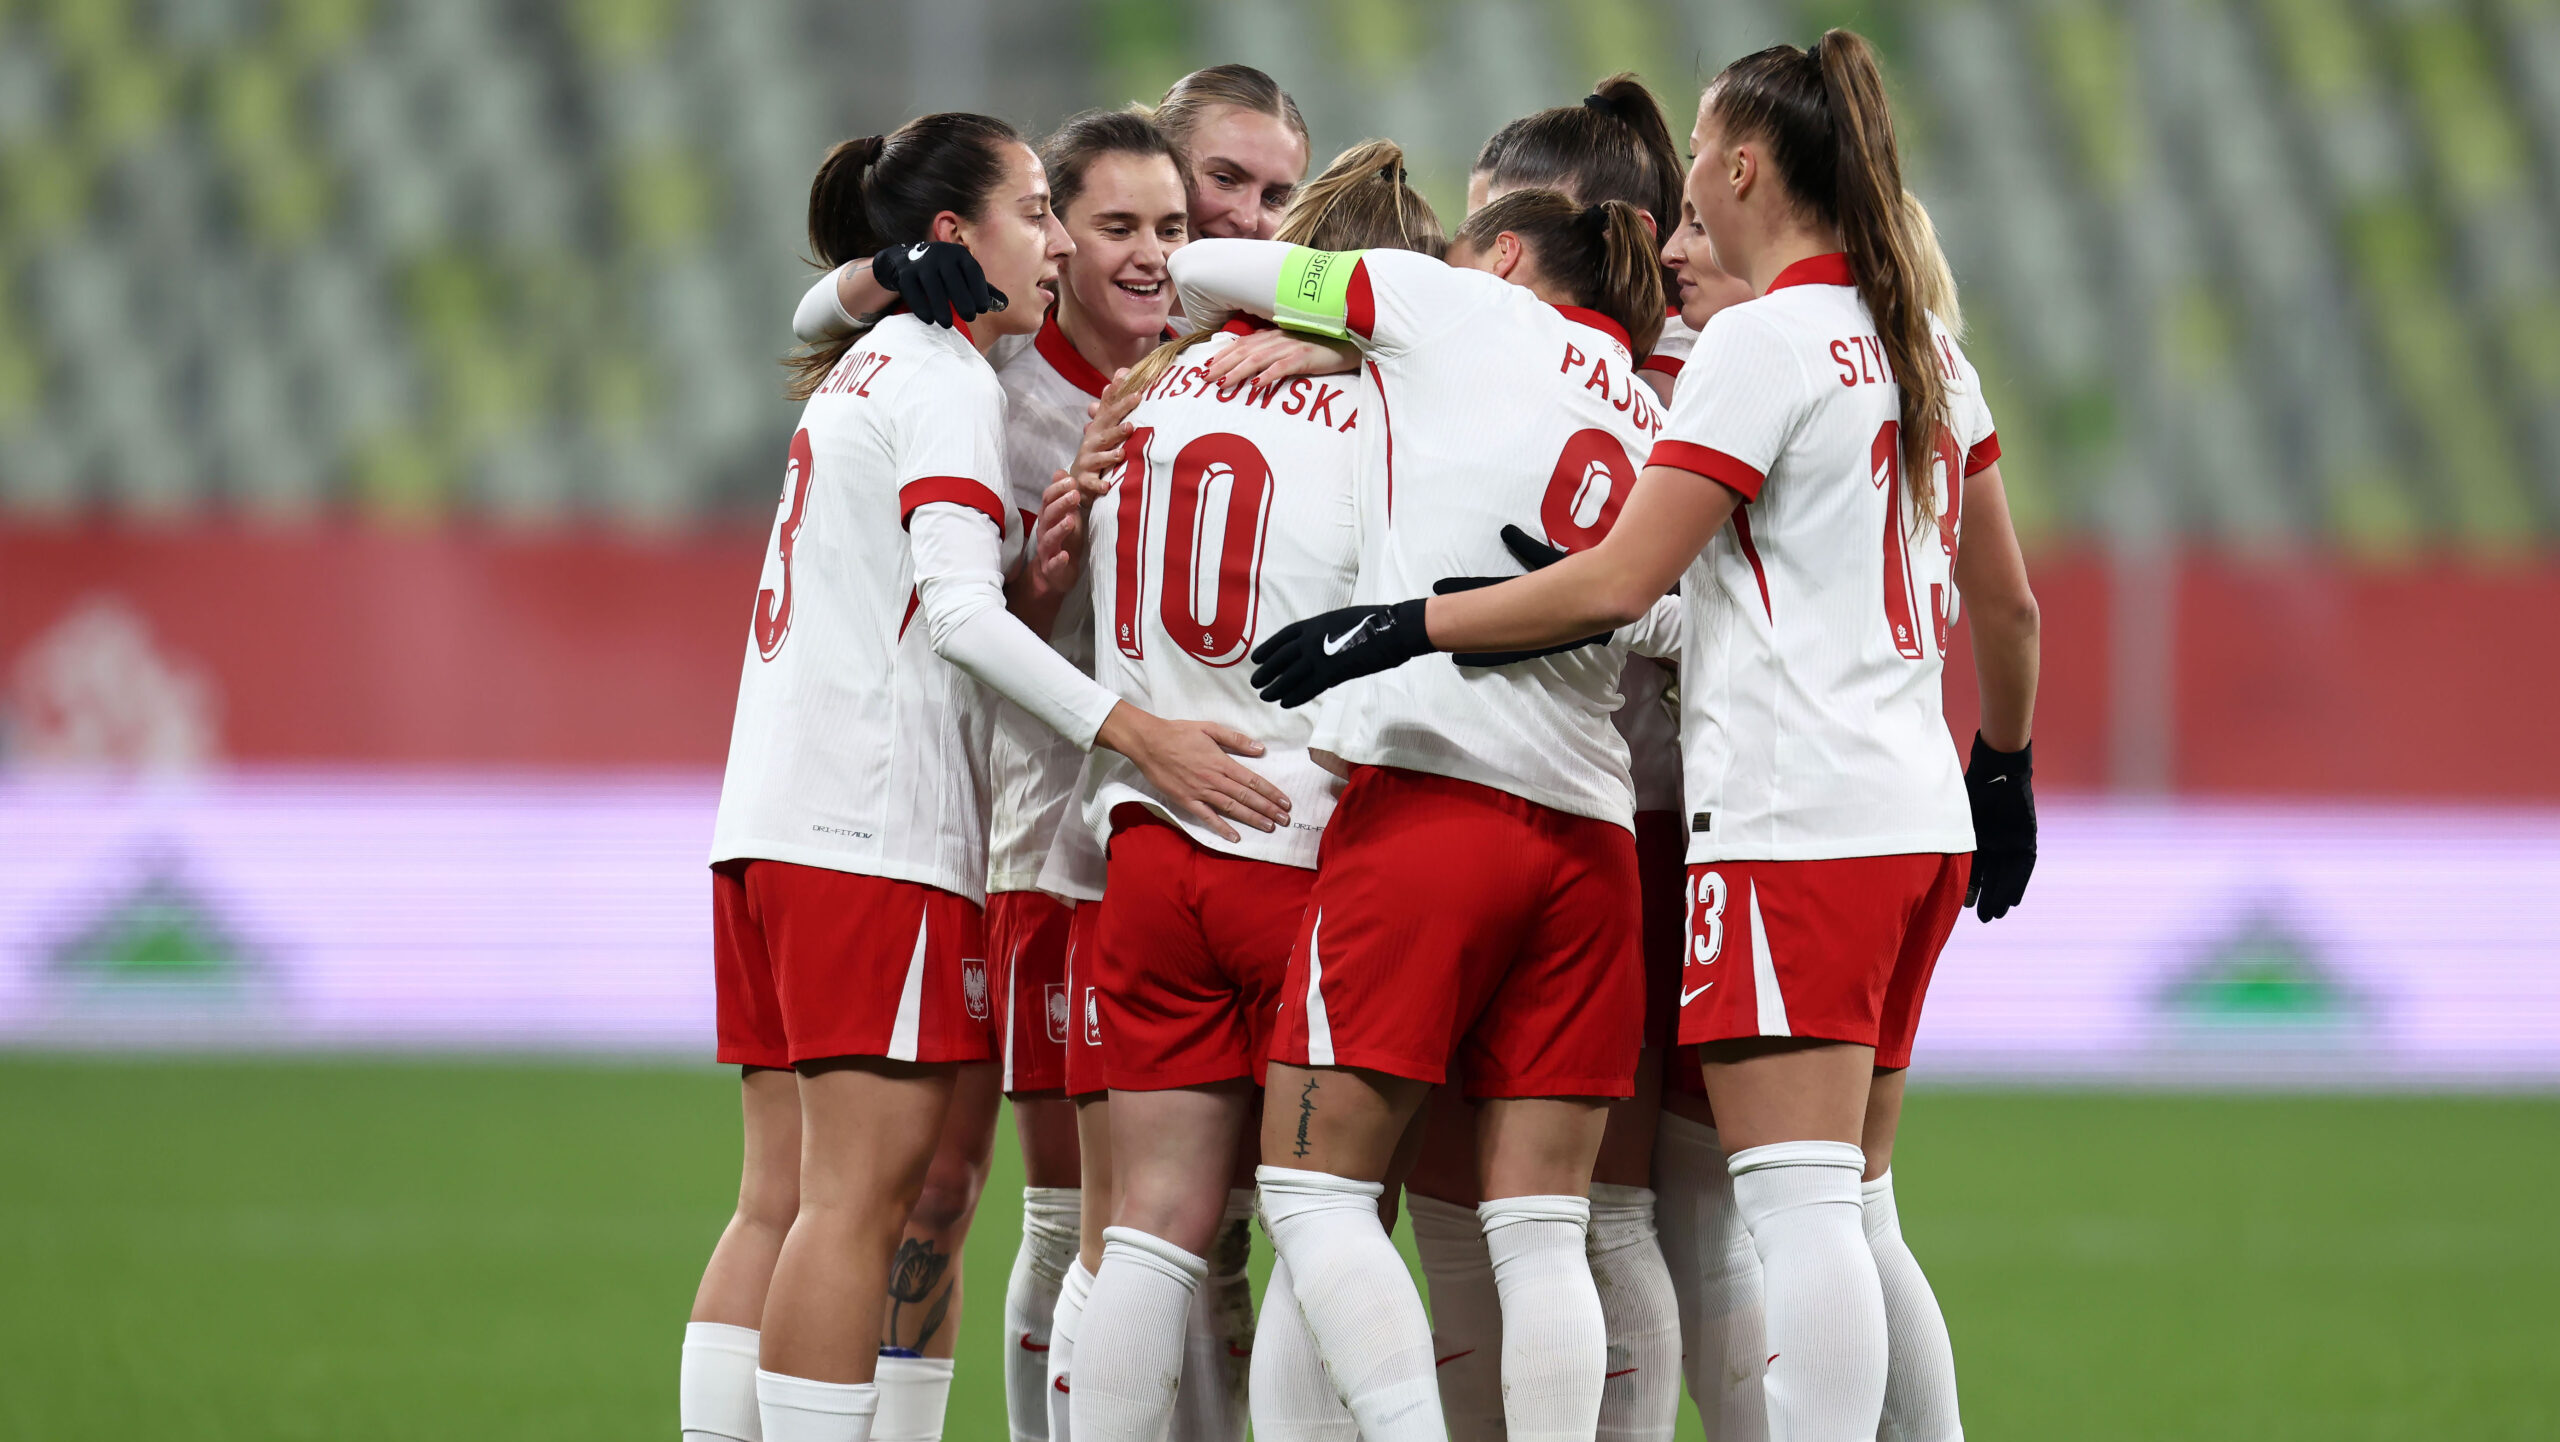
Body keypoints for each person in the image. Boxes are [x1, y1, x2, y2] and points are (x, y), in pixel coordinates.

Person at [1243, 31, 2042, 1442]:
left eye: (1704, 153)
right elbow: (2009, 603)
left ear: (1744, 166)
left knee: (1783, 1212)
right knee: (1850, 1203)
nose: (1687, 195)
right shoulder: (1927, 346)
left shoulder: (1758, 344)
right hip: (1918, 813)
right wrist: (2006, 766)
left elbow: (1618, 583)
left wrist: (1402, 622)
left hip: (1789, 821)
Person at [678, 111, 1290, 1442]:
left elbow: (944, 597)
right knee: (860, 1204)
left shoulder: (867, 356)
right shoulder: (954, 379)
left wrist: (1033, 583)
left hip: (772, 818)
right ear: (956, 235)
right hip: (873, 829)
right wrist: (1140, 731)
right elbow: (957, 616)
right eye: (1042, 212)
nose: (1058, 244)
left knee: (782, 1200)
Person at [1163, 186, 1677, 1442]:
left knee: (1314, 1193)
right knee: (1545, 1227)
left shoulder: (1444, 303)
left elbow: (1208, 266)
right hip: (1591, 835)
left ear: (1500, 253)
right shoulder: (1649, 411)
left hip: (1430, 804)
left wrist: (1344, 331)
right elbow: (1675, 619)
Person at [1058, 140, 1446, 1442]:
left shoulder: (1153, 389)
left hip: (1151, 839)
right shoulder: (1393, 418)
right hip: (1305, 841)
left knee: (1150, 1222)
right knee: (1326, 1212)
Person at [969, 107, 1194, 1442]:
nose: (1152, 253)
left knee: (1179, 1226)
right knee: (1068, 1216)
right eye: (1117, 226)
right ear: (1057, 236)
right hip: (1051, 843)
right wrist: (1038, 580)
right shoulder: (1001, 398)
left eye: (1171, 226)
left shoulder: (1214, 378)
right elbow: (956, 624)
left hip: (1190, 841)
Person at [792, 65, 1309, 343]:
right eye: (1224, 178)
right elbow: (813, 324)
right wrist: (892, 267)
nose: (1248, 218)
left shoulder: (1285, 321)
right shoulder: (1023, 308)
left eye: (1275, 197)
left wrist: (1329, 350)